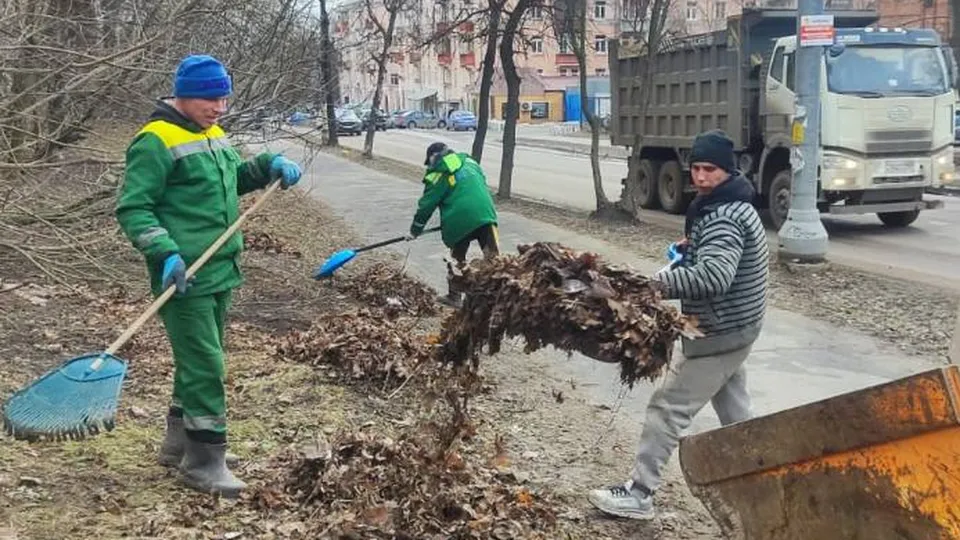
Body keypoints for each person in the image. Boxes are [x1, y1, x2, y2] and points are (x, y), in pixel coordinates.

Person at [115, 54, 303, 498]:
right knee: (206, 365)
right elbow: (133, 208)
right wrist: (164, 253)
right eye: (210, 98)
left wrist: (267, 166)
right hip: (183, 274)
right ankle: (204, 461)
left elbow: (230, 179)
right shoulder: (154, 141)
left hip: (220, 269)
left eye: (224, 98)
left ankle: (180, 443)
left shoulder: (212, 132)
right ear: (182, 94)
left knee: (200, 358)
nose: (219, 107)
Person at [588, 129, 769, 520]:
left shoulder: (724, 217)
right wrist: (692, 249)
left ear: (728, 170)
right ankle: (769, 481)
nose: (701, 178)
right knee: (736, 417)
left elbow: (715, 277)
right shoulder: (730, 203)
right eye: (697, 169)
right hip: (739, 326)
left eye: (711, 170)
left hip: (721, 332)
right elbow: (718, 260)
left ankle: (639, 494)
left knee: (666, 409)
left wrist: (655, 285)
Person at [409, 142, 499, 308]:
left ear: (434, 157)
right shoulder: (470, 162)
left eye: (429, 162)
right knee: (494, 258)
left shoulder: (437, 175)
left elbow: (426, 206)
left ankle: (455, 296)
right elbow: (480, 182)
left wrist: (415, 230)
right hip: (486, 213)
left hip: (459, 220)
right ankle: (497, 297)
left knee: (457, 259)